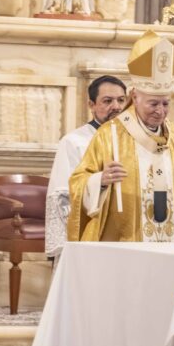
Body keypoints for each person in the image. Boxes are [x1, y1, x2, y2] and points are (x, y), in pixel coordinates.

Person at [67, 31, 174, 243]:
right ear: (135, 97)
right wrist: (99, 181)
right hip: (126, 239)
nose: (160, 111)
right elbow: (78, 183)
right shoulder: (110, 134)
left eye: (165, 104)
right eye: (153, 104)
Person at [45, 75, 127, 259]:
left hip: (128, 230)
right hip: (91, 230)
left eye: (121, 100)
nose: (116, 106)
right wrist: (99, 181)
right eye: (107, 101)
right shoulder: (74, 142)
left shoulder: (136, 140)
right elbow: (62, 195)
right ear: (91, 105)